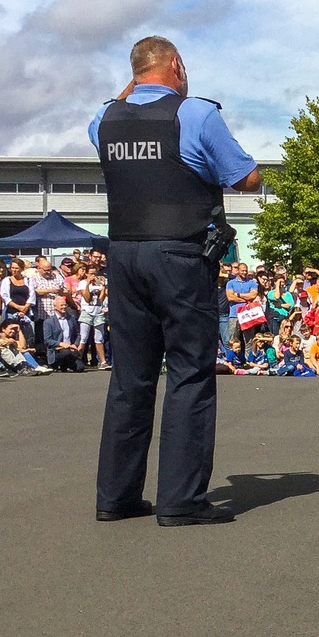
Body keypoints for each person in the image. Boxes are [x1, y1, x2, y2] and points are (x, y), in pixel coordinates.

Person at [89, 35, 260, 527]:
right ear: (177, 65)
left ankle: (116, 497)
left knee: (131, 378)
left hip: (122, 254)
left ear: (136, 71)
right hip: (181, 255)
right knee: (188, 373)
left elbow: (125, 105)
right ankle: (181, 500)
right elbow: (245, 178)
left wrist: (139, 79)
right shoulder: (196, 115)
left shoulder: (103, 119)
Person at [43, 296, 86, 372]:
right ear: (55, 307)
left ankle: (66, 365)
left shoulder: (71, 319)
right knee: (65, 352)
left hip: (71, 349)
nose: (64, 307)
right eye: (61, 305)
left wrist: (75, 344)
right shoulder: (48, 322)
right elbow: (47, 340)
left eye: (65, 305)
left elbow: (78, 334)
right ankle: (58, 365)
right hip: (57, 351)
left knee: (80, 368)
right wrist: (61, 344)